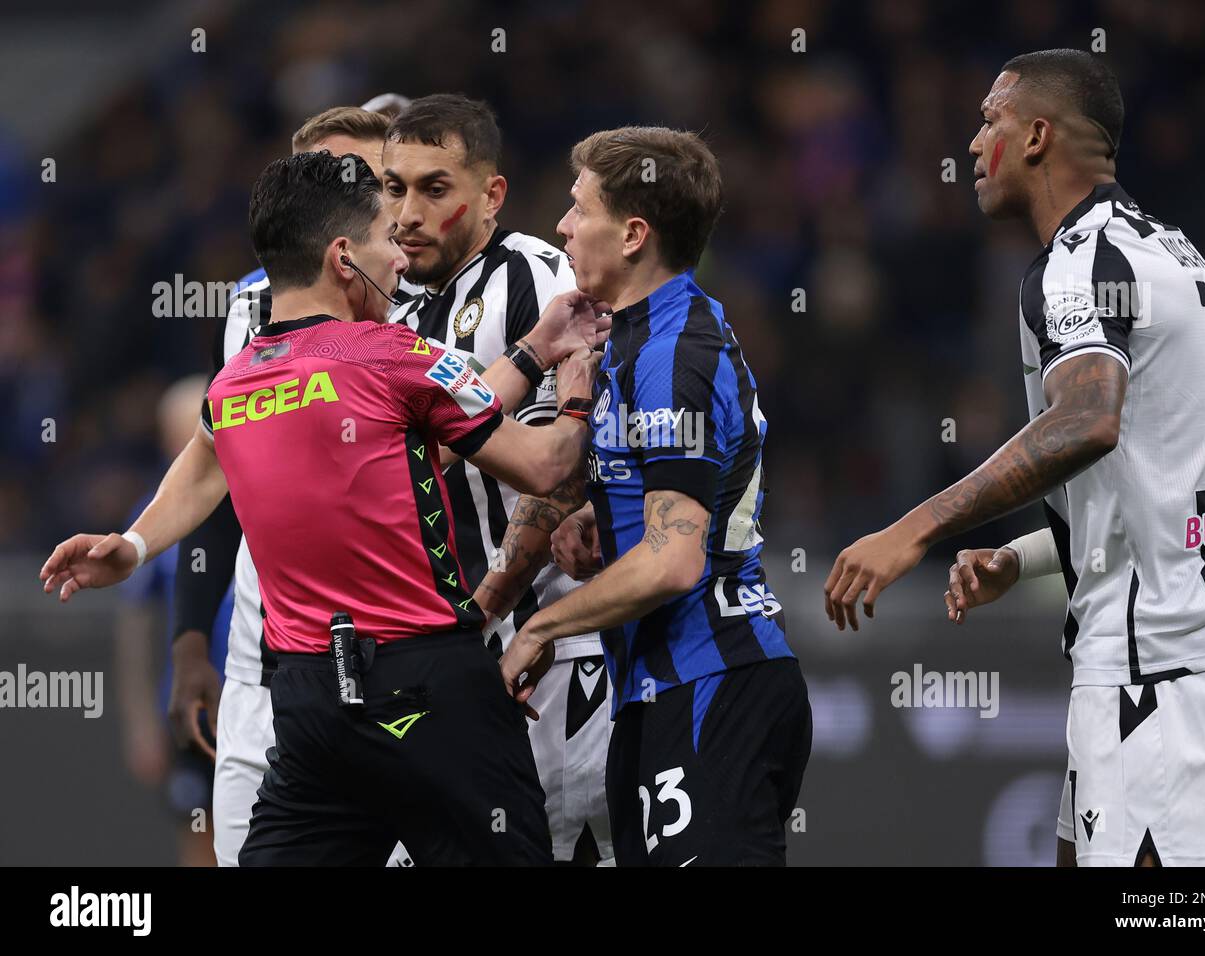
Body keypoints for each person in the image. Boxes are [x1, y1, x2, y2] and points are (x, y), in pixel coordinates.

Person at [40, 150, 610, 864]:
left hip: (311, 707)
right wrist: (576, 377)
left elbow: (203, 461)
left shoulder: (239, 379)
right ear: (344, 258)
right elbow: (546, 462)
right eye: (384, 239)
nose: (399, 259)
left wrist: (129, 545)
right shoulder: (395, 353)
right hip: (430, 692)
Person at [824, 49, 1205, 866]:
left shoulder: (1080, 264)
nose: (972, 143)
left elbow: (1089, 424)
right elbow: (1155, 489)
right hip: (1176, 637)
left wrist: (915, 528)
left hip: (1162, 657)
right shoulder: (1173, 254)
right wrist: (1024, 556)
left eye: (989, 121)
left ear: (1036, 137)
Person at [500, 127, 812, 866]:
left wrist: (540, 629)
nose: (563, 227)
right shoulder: (643, 339)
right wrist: (597, 512)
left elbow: (674, 562)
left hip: (713, 679)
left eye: (580, 210)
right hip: (659, 686)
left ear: (634, 233)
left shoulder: (675, 353)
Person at [170, 102, 425, 867]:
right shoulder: (250, 308)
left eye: (359, 178)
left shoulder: (431, 305)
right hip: (273, 666)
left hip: (413, 660)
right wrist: (190, 643)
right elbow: (222, 478)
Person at [383, 93, 614, 864]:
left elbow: (563, 476)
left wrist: (485, 619)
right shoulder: (384, 310)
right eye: (394, 188)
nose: (408, 212)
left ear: (491, 194)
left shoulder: (539, 279)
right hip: (445, 656)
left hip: (544, 648)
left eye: (434, 188)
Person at [114, 374, 232, 866]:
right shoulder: (151, 517)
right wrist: (141, 722)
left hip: (265, 699)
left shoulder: (255, 497)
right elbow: (135, 626)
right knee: (199, 833)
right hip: (192, 709)